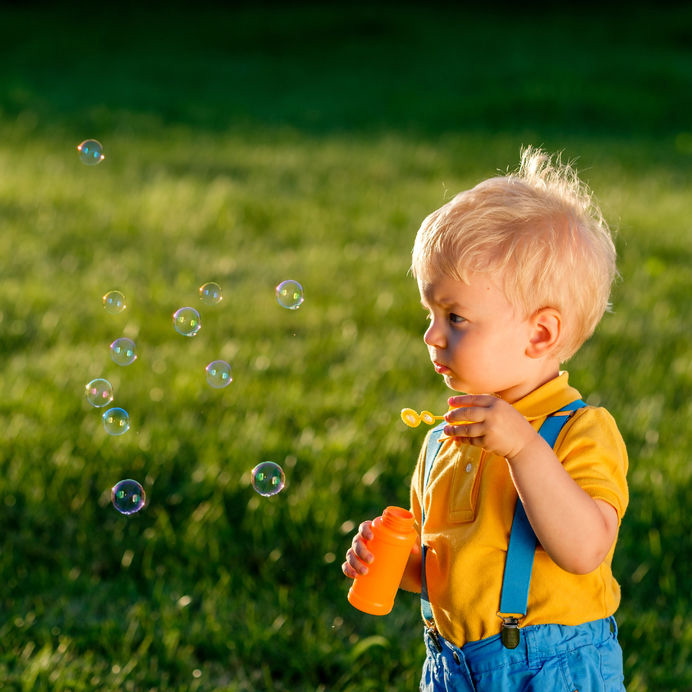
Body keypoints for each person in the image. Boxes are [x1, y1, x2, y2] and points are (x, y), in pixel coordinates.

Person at [342, 147, 629, 691]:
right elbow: (453, 574)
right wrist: (400, 566)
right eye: (430, 314)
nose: (432, 335)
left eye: (455, 317)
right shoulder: (445, 441)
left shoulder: (580, 431)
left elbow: (585, 548)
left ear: (540, 335)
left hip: (549, 669)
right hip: (454, 665)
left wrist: (523, 448)